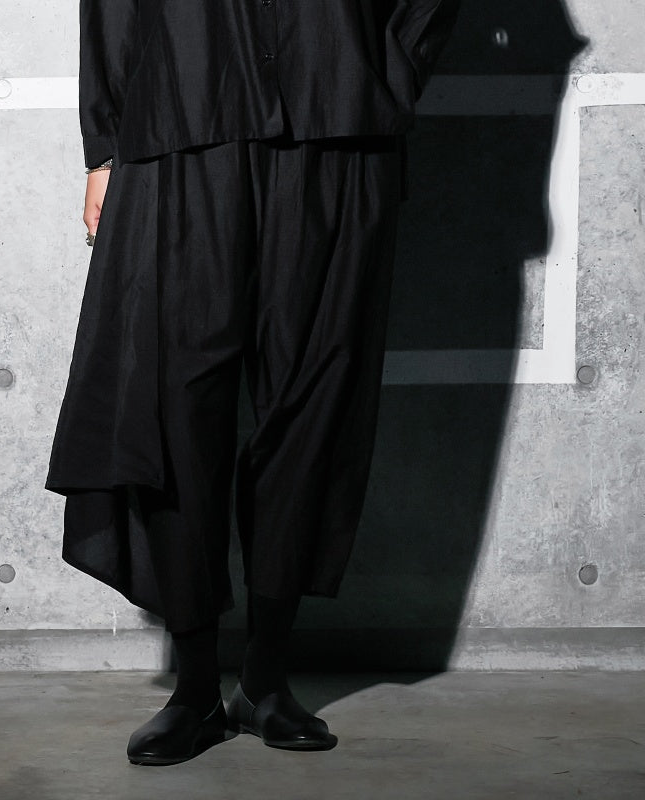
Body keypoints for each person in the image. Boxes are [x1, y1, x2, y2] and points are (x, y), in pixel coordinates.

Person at [45, 0, 460, 766]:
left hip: (335, 123)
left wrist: (384, 70)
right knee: (172, 402)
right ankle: (196, 685)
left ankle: (267, 675)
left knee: (314, 396)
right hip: (183, 115)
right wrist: (104, 146)